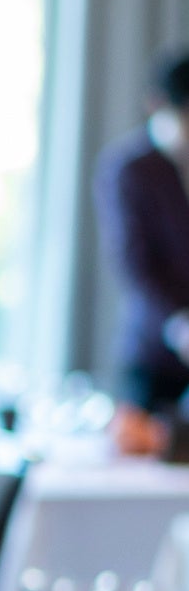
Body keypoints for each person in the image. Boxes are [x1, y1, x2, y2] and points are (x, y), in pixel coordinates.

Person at [96, 47, 189, 414]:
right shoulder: (130, 170)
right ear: (157, 105)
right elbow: (136, 264)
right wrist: (178, 323)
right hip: (155, 354)